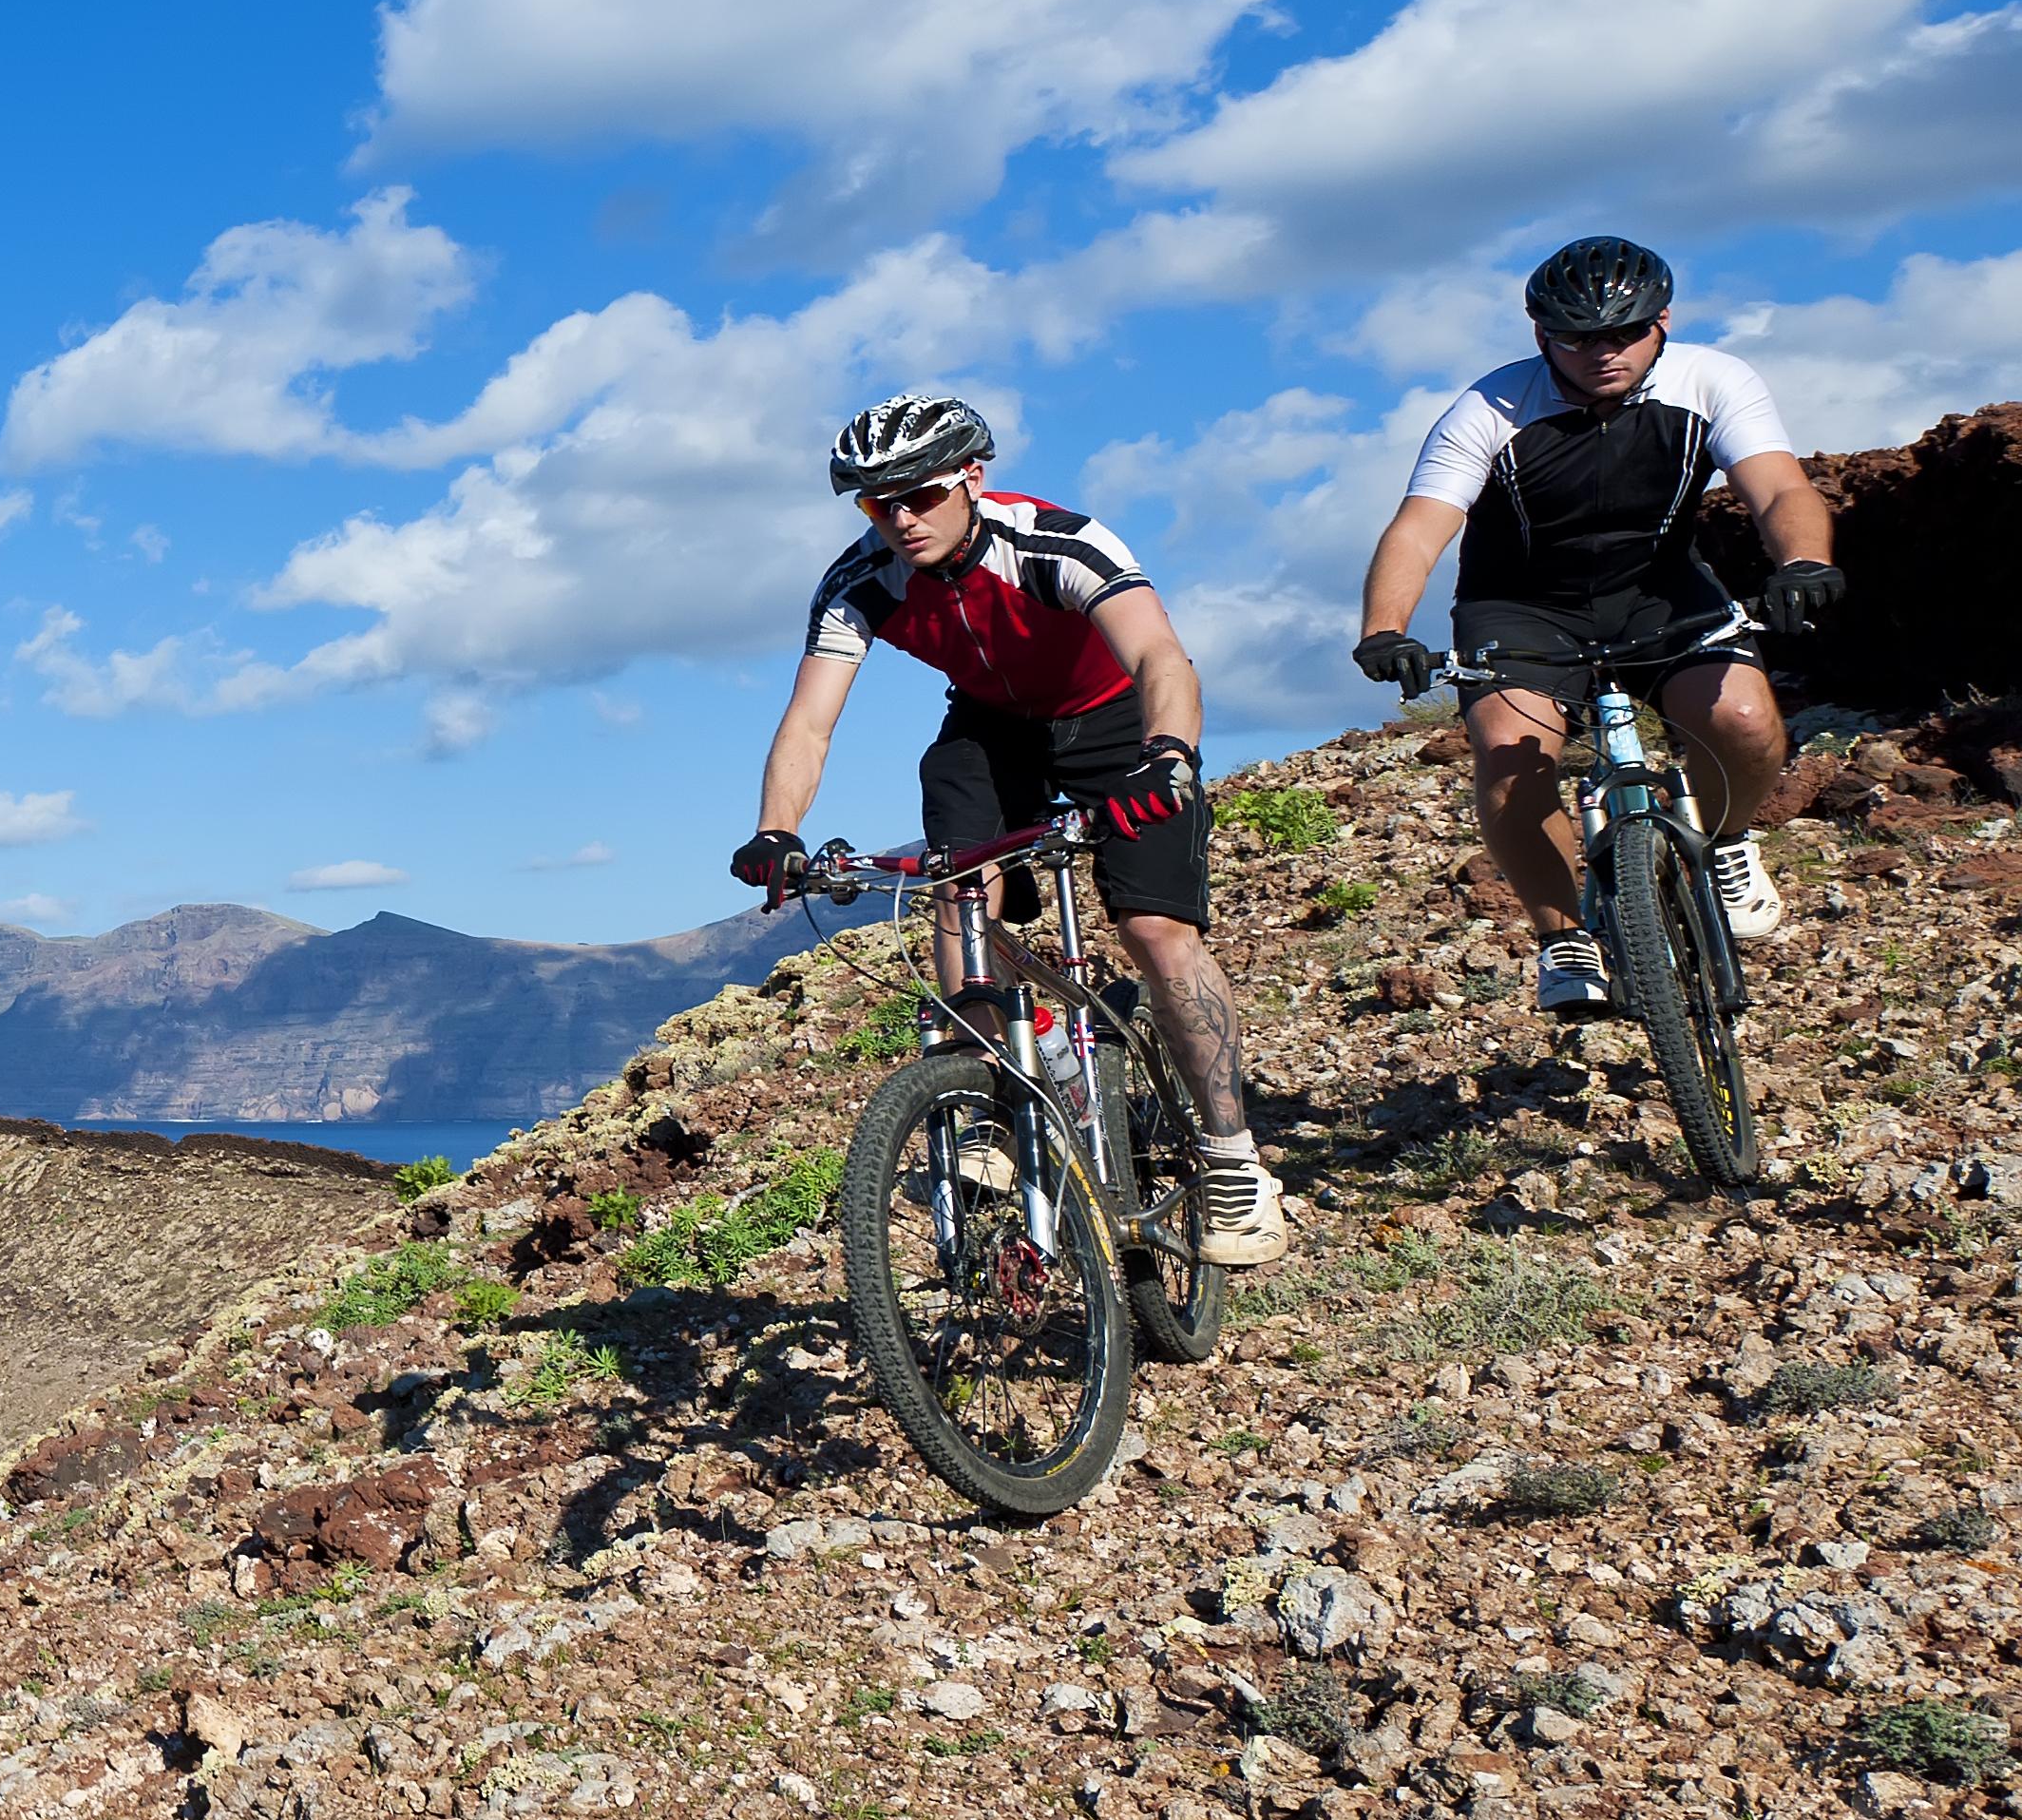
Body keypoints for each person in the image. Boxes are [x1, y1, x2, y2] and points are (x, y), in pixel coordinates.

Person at [732, 389, 1286, 1268]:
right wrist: (776, 832)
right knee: (957, 890)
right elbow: (808, 721)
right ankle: (1004, 1087)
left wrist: (1168, 755)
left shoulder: (1053, 542)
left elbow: (1159, 657)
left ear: (971, 479)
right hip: (992, 729)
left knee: (1153, 930)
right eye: (880, 503)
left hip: (1115, 719)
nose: (902, 519)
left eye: (921, 495)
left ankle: (1231, 1157)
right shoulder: (860, 583)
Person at [1349, 233, 1841, 1014]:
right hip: (1519, 605)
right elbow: (1418, 527)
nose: (1602, 353)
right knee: (1515, 765)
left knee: (1744, 719)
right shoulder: (1489, 408)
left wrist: (1803, 563)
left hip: (1658, 589)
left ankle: (1727, 843)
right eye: (1577, 338)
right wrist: (1385, 628)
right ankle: (1564, 936)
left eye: (1625, 333)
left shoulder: (1712, 380)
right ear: (1542, 335)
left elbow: (1779, 487)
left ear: (1664, 321)